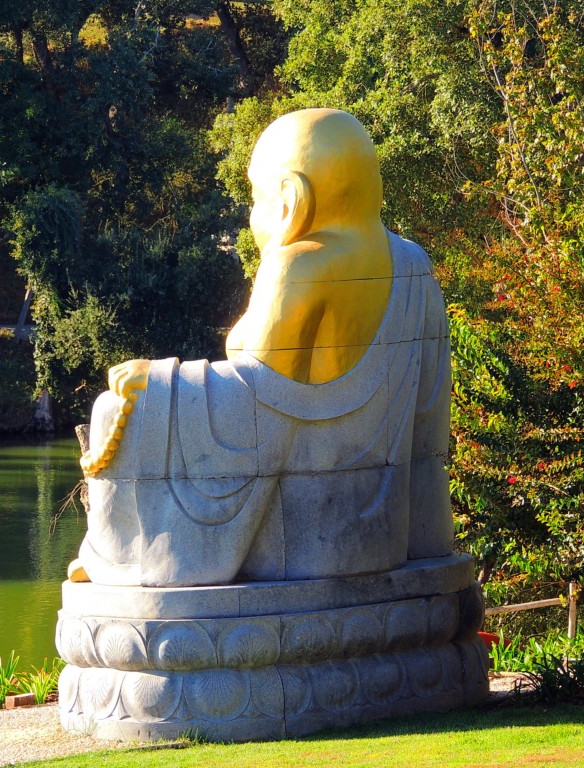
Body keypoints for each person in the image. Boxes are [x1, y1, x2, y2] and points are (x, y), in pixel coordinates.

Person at [68, 109, 453, 587]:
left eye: (255, 200)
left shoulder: (299, 265)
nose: (252, 218)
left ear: (290, 201)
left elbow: (255, 400)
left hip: (303, 542)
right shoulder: (414, 265)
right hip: (382, 537)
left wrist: (161, 377)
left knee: (114, 408)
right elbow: (428, 426)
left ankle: (127, 553)